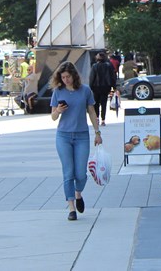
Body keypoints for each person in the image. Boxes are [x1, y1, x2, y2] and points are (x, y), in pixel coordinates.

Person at [51, 61, 102, 221]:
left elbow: (92, 112)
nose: (65, 79)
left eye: (68, 76)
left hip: (81, 135)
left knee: (81, 173)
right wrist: (58, 110)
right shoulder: (58, 92)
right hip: (63, 136)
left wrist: (97, 132)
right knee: (68, 172)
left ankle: (78, 193)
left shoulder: (85, 90)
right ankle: (71, 207)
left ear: (74, 75)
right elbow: (53, 117)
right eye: (63, 77)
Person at [88, 52, 116, 126]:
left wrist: (90, 87)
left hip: (96, 87)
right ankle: (103, 120)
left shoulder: (94, 66)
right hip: (106, 87)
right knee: (104, 104)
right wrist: (114, 87)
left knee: (96, 104)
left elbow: (91, 78)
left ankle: (97, 118)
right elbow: (113, 77)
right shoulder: (109, 65)